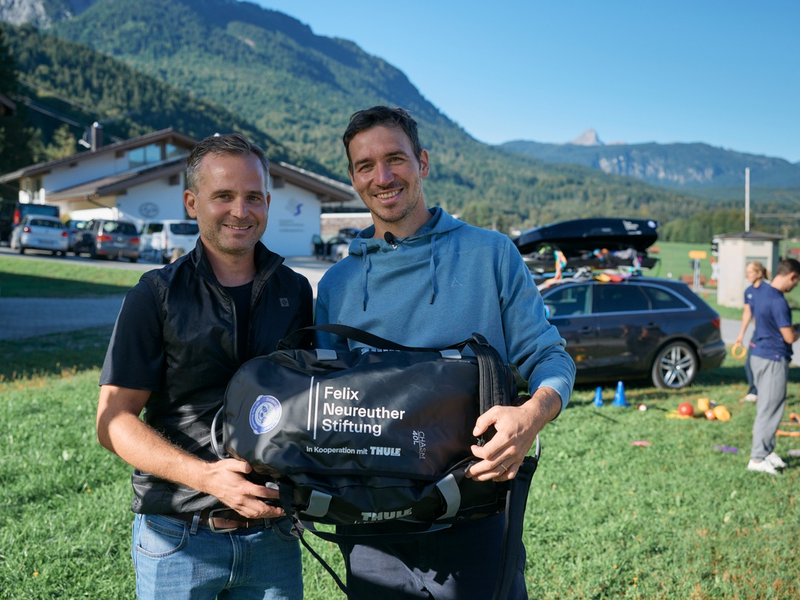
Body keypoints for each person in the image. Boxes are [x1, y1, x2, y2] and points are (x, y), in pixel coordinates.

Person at [314, 106, 576, 599]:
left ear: (423, 163)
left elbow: (550, 358)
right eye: (365, 166)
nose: (383, 177)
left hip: (475, 516)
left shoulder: (491, 254)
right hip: (373, 535)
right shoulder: (337, 285)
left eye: (396, 159)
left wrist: (532, 415)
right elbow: (325, 406)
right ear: (352, 177)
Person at [96, 133, 313, 599]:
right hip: (179, 539)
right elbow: (112, 422)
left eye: (253, 196)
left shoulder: (295, 292)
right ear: (192, 203)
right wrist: (207, 477)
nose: (241, 210)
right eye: (223, 196)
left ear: (268, 202)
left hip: (273, 537)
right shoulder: (154, 295)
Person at [746, 258, 800, 476]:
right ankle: (757, 459)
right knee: (770, 409)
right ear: (792, 276)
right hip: (773, 358)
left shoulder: (762, 293)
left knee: (767, 406)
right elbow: (788, 337)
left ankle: (767, 451)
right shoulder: (778, 300)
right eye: (796, 282)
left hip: (759, 354)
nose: (795, 286)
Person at [734, 261, 768, 402]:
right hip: (758, 332)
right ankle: (753, 392)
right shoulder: (748, 292)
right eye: (746, 272)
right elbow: (747, 313)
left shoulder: (769, 290)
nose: (747, 275)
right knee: (749, 362)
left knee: (766, 364)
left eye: (750, 272)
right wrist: (741, 335)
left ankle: (766, 392)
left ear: (759, 273)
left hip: (770, 333)